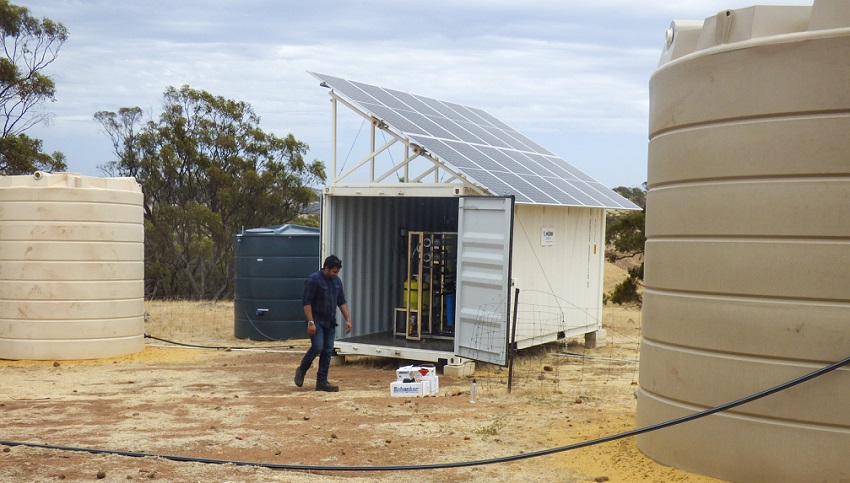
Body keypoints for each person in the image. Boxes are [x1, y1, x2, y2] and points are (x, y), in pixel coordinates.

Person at [294, 255, 352, 392]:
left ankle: (322, 381)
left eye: (337, 272)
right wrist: (311, 322)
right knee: (317, 347)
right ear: (326, 268)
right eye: (333, 271)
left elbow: (341, 302)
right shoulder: (314, 280)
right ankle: (302, 370)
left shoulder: (337, 282)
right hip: (316, 321)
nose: (335, 274)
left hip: (330, 321)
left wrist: (348, 319)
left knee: (327, 350)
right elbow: (307, 303)